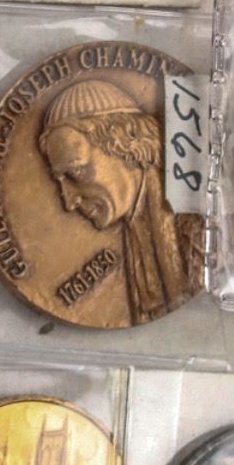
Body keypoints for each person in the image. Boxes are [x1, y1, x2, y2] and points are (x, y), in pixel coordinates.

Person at [38, 79, 201, 324]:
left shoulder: (201, 235)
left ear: (126, 144)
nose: (70, 202)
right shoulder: (137, 236)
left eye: (76, 172)